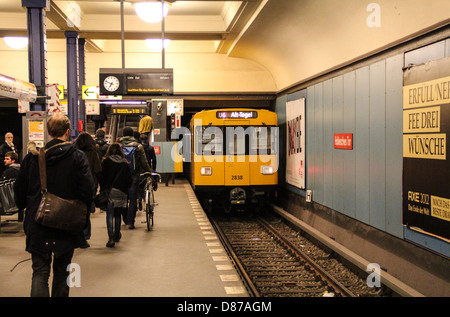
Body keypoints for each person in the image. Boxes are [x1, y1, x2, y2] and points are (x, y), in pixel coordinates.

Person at [14, 114, 95, 297]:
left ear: (49, 133)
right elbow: (88, 190)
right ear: (67, 132)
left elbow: (19, 191)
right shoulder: (77, 157)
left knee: (40, 273)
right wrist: (83, 211)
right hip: (67, 223)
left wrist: (26, 209)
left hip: (38, 220)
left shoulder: (33, 158)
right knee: (62, 272)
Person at [99, 143, 132, 247]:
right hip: (121, 192)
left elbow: (102, 178)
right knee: (118, 214)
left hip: (110, 191)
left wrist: (103, 190)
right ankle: (117, 235)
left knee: (109, 214)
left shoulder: (106, 162)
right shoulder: (125, 163)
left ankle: (111, 238)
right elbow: (129, 181)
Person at [118, 127, 150, 229]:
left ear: (123, 134)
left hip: (120, 176)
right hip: (133, 175)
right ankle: (130, 222)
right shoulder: (138, 146)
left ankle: (125, 218)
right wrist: (148, 171)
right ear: (132, 135)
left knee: (122, 198)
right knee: (132, 199)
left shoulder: (118, 146)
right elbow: (144, 162)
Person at [74, 131, 102, 248]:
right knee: (86, 212)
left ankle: (77, 236)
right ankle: (84, 237)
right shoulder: (93, 152)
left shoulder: (74, 152)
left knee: (75, 211)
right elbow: (98, 169)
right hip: (90, 185)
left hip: (76, 184)